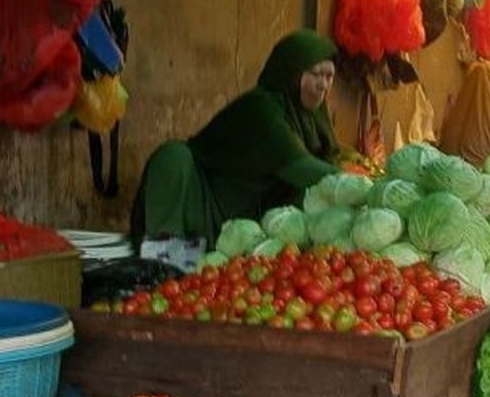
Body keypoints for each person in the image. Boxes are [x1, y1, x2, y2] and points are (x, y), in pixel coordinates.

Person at [131, 30, 344, 267]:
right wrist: (362, 185)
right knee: (172, 157)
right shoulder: (261, 108)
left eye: (329, 76)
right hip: (201, 203)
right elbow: (299, 167)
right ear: (291, 72)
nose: (323, 85)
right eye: (316, 74)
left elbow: (328, 163)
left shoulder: (314, 119)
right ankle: (163, 262)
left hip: (243, 225)